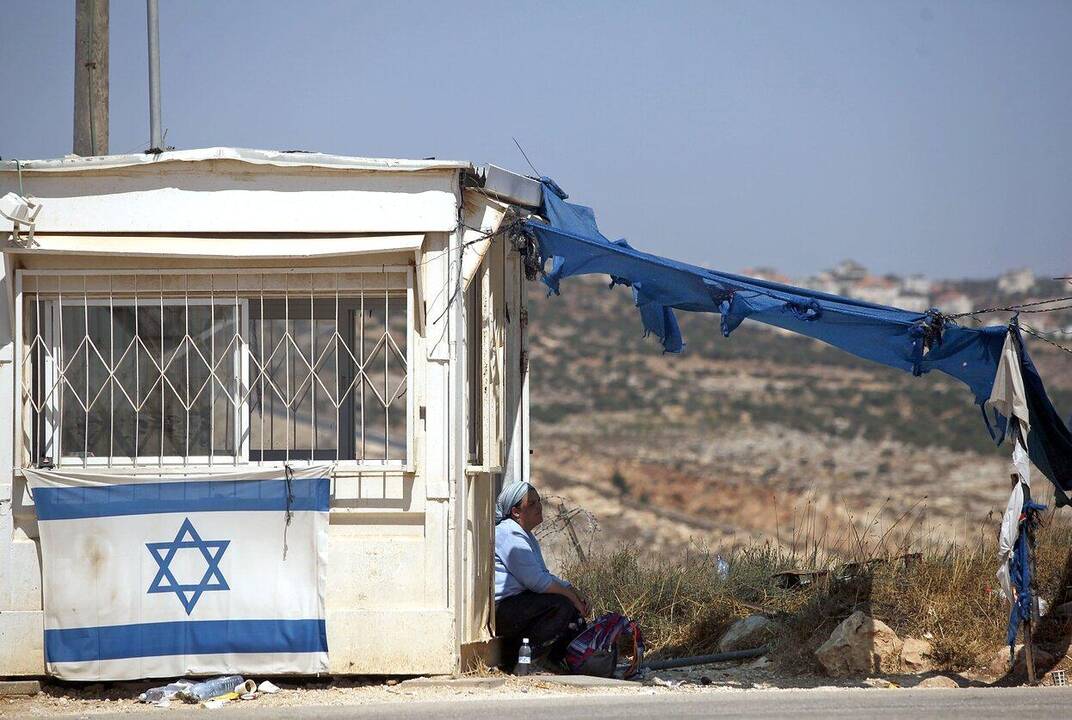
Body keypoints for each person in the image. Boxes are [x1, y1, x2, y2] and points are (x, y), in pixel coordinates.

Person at [494, 481, 590, 671]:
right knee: (561, 605)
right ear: (516, 512)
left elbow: (542, 575)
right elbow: (537, 582)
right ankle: (527, 660)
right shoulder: (509, 534)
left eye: (539, 502)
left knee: (570, 613)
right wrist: (573, 599)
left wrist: (572, 589)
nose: (539, 507)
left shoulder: (523, 534)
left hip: (520, 604)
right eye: (532, 504)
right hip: (503, 610)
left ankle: (559, 660)